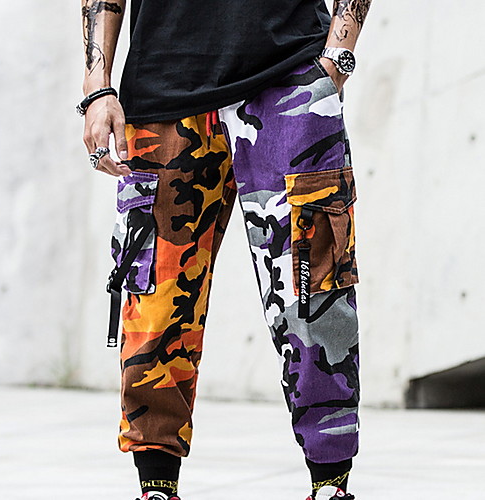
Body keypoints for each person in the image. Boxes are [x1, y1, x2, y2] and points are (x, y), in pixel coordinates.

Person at [79, 0, 372, 499]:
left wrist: (338, 56)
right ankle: (155, 487)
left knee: (313, 295)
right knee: (156, 306)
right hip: (163, 88)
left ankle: (331, 485)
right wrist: (97, 86)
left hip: (288, 77)